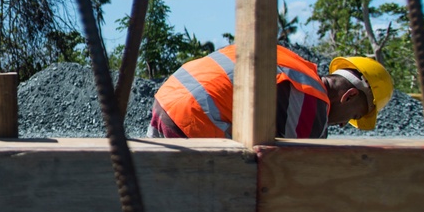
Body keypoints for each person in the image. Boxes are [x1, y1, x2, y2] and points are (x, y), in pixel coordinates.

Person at [147, 44, 394, 139]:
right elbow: (293, 176)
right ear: (349, 96)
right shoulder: (313, 102)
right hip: (195, 116)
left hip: (167, 99)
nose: (343, 125)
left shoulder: (294, 64)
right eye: (355, 116)